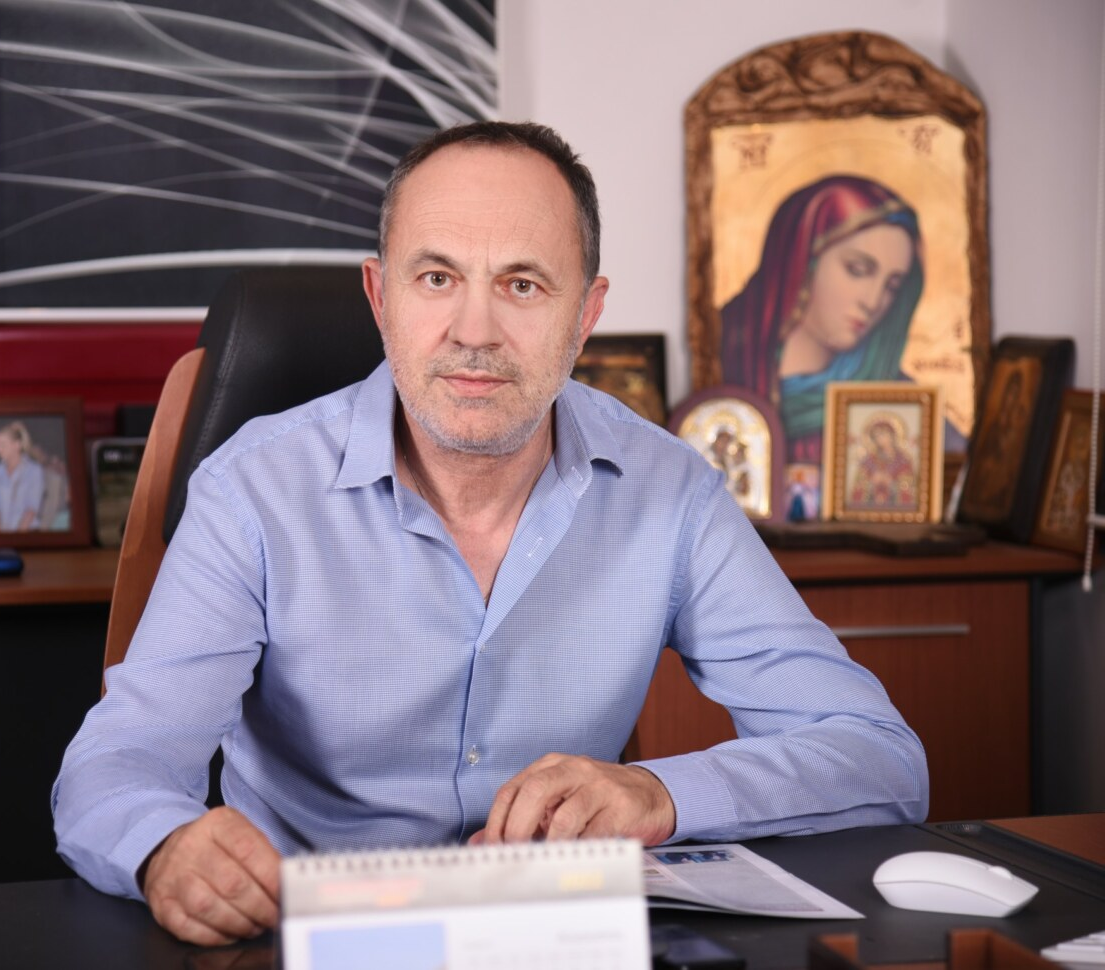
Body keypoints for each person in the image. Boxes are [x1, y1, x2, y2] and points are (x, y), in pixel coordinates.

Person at [53, 122, 928, 947]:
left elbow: (880, 758)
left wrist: (661, 792)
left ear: (585, 314)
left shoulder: (672, 492)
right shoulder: (253, 490)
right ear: (380, 297)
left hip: (555, 940)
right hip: (312, 938)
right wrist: (165, 847)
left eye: (522, 285)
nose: (474, 333)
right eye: (436, 278)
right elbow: (118, 763)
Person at [720, 174, 924, 466]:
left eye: (891, 286)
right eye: (857, 269)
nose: (873, 302)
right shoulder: (722, 362)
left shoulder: (901, 403)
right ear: (801, 259)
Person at [0, 420, 44, 531]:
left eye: (2, 445)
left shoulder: (34, 471)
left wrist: (17, 537)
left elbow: (31, 509)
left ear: (17, 445)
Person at [848, 417, 917, 510]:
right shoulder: (868, 461)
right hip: (870, 508)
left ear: (892, 435)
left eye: (883, 434)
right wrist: (871, 481)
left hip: (896, 510)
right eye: (876, 436)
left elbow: (909, 487)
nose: (879, 439)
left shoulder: (903, 461)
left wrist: (892, 482)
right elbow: (859, 486)